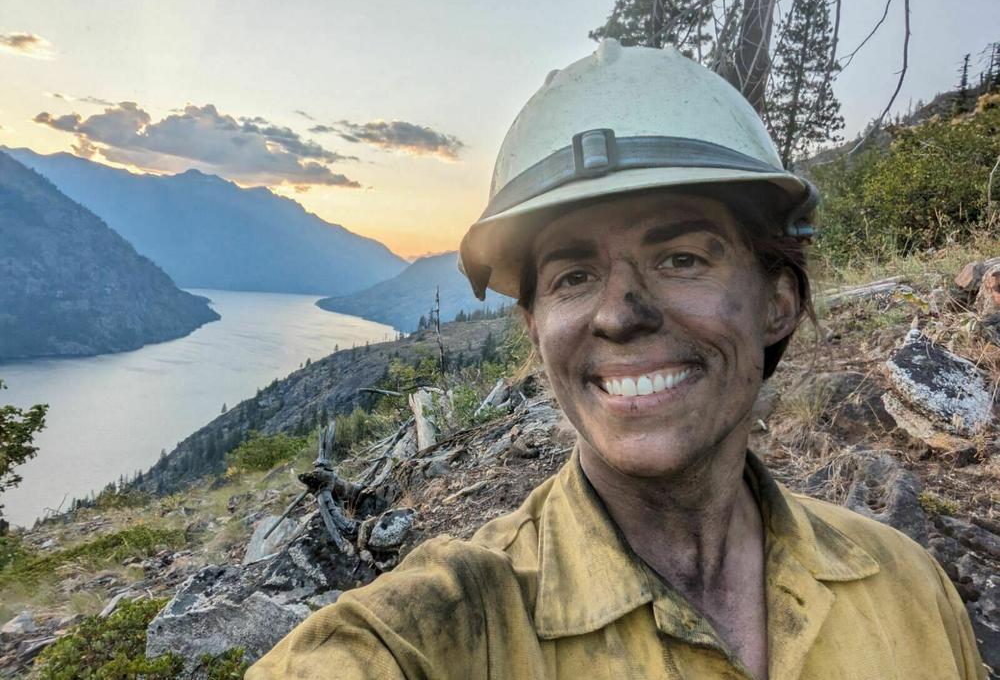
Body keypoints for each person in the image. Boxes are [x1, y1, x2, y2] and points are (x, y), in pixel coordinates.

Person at [247, 40, 985, 679]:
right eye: (573, 276)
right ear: (536, 330)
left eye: (682, 257)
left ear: (777, 300)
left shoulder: (907, 587)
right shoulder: (449, 625)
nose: (619, 313)